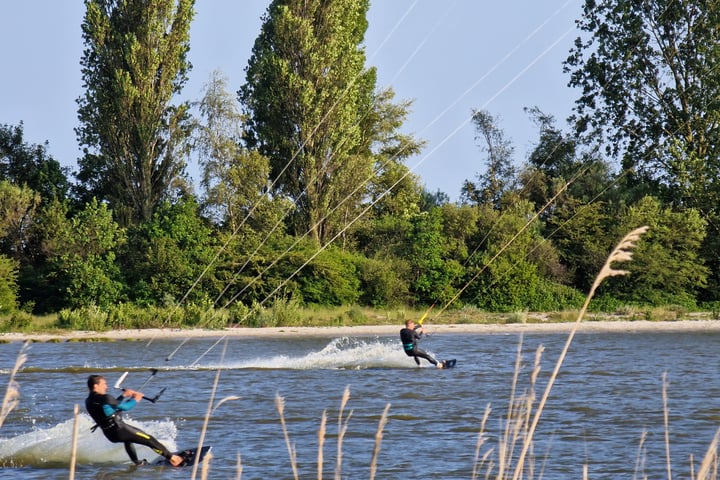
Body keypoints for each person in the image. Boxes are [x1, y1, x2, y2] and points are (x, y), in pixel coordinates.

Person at [85, 374, 184, 467]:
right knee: (149, 439)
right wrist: (135, 399)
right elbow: (125, 407)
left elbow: (111, 407)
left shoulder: (89, 401)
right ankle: (173, 458)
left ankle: (137, 462)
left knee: (128, 440)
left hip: (110, 434)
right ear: (95, 386)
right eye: (104, 384)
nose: (106, 387)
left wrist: (124, 396)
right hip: (120, 429)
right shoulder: (105, 398)